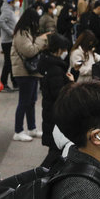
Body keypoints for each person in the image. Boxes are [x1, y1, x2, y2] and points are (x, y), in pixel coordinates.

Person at [11, 8, 49, 142]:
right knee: (24, 102)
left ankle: (32, 128)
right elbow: (29, 51)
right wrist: (41, 40)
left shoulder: (27, 31)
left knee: (31, 101)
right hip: (23, 72)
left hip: (30, 72)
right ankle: (18, 131)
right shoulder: (21, 33)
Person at [37, 33, 73, 166]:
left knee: (55, 150)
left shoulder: (48, 63)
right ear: (58, 50)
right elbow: (59, 94)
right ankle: (40, 175)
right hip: (56, 115)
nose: (65, 53)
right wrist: (70, 83)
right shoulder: (55, 69)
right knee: (56, 151)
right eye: (64, 50)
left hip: (50, 112)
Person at [0, 0, 21, 91]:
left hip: (10, 40)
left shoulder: (11, 10)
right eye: (16, 0)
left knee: (11, 62)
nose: (18, 2)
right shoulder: (7, 11)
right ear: (11, 1)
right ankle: (3, 83)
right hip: (7, 41)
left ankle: (14, 82)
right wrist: (11, 32)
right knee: (8, 62)